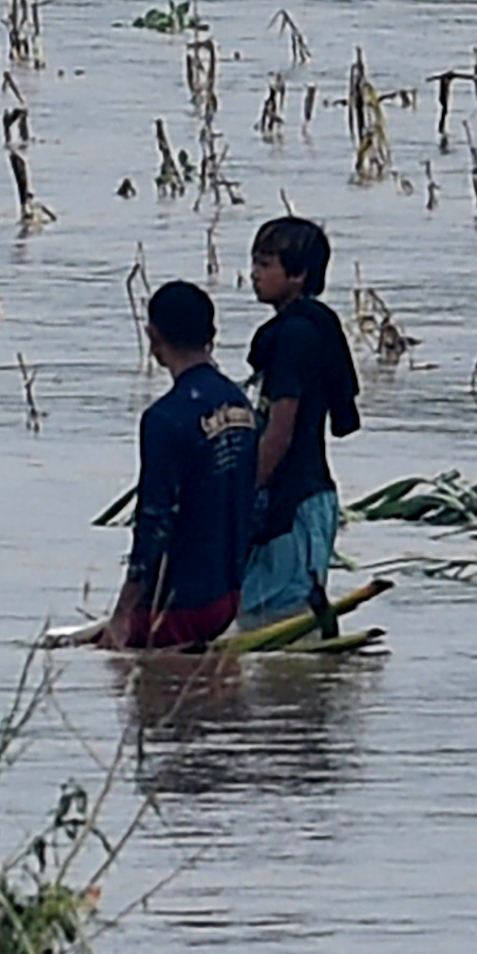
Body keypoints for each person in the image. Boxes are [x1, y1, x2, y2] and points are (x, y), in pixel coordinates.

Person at [101, 279, 257, 651]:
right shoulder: (241, 405)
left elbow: (155, 520)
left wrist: (122, 614)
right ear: (212, 334)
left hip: (176, 606)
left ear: (153, 336)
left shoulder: (164, 419)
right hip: (229, 595)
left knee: (146, 701)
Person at [237, 215, 360, 629]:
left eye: (266, 265)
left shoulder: (295, 337)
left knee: (279, 620)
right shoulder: (311, 327)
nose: (254, 275)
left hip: (294, 502)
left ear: (299, 274)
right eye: (254, 263)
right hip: (306, 496)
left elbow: (280, 427)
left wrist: (245, 490)